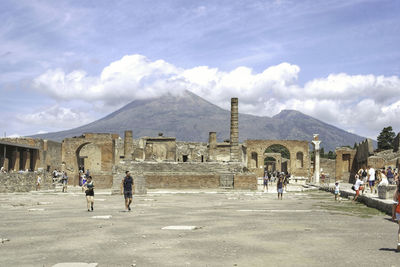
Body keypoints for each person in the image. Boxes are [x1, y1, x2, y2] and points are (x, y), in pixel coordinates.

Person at [392, 182, 400, 251]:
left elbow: (394, 203)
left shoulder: (397, 191)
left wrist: (393, 214)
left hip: (398, 211)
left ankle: (399, 243)